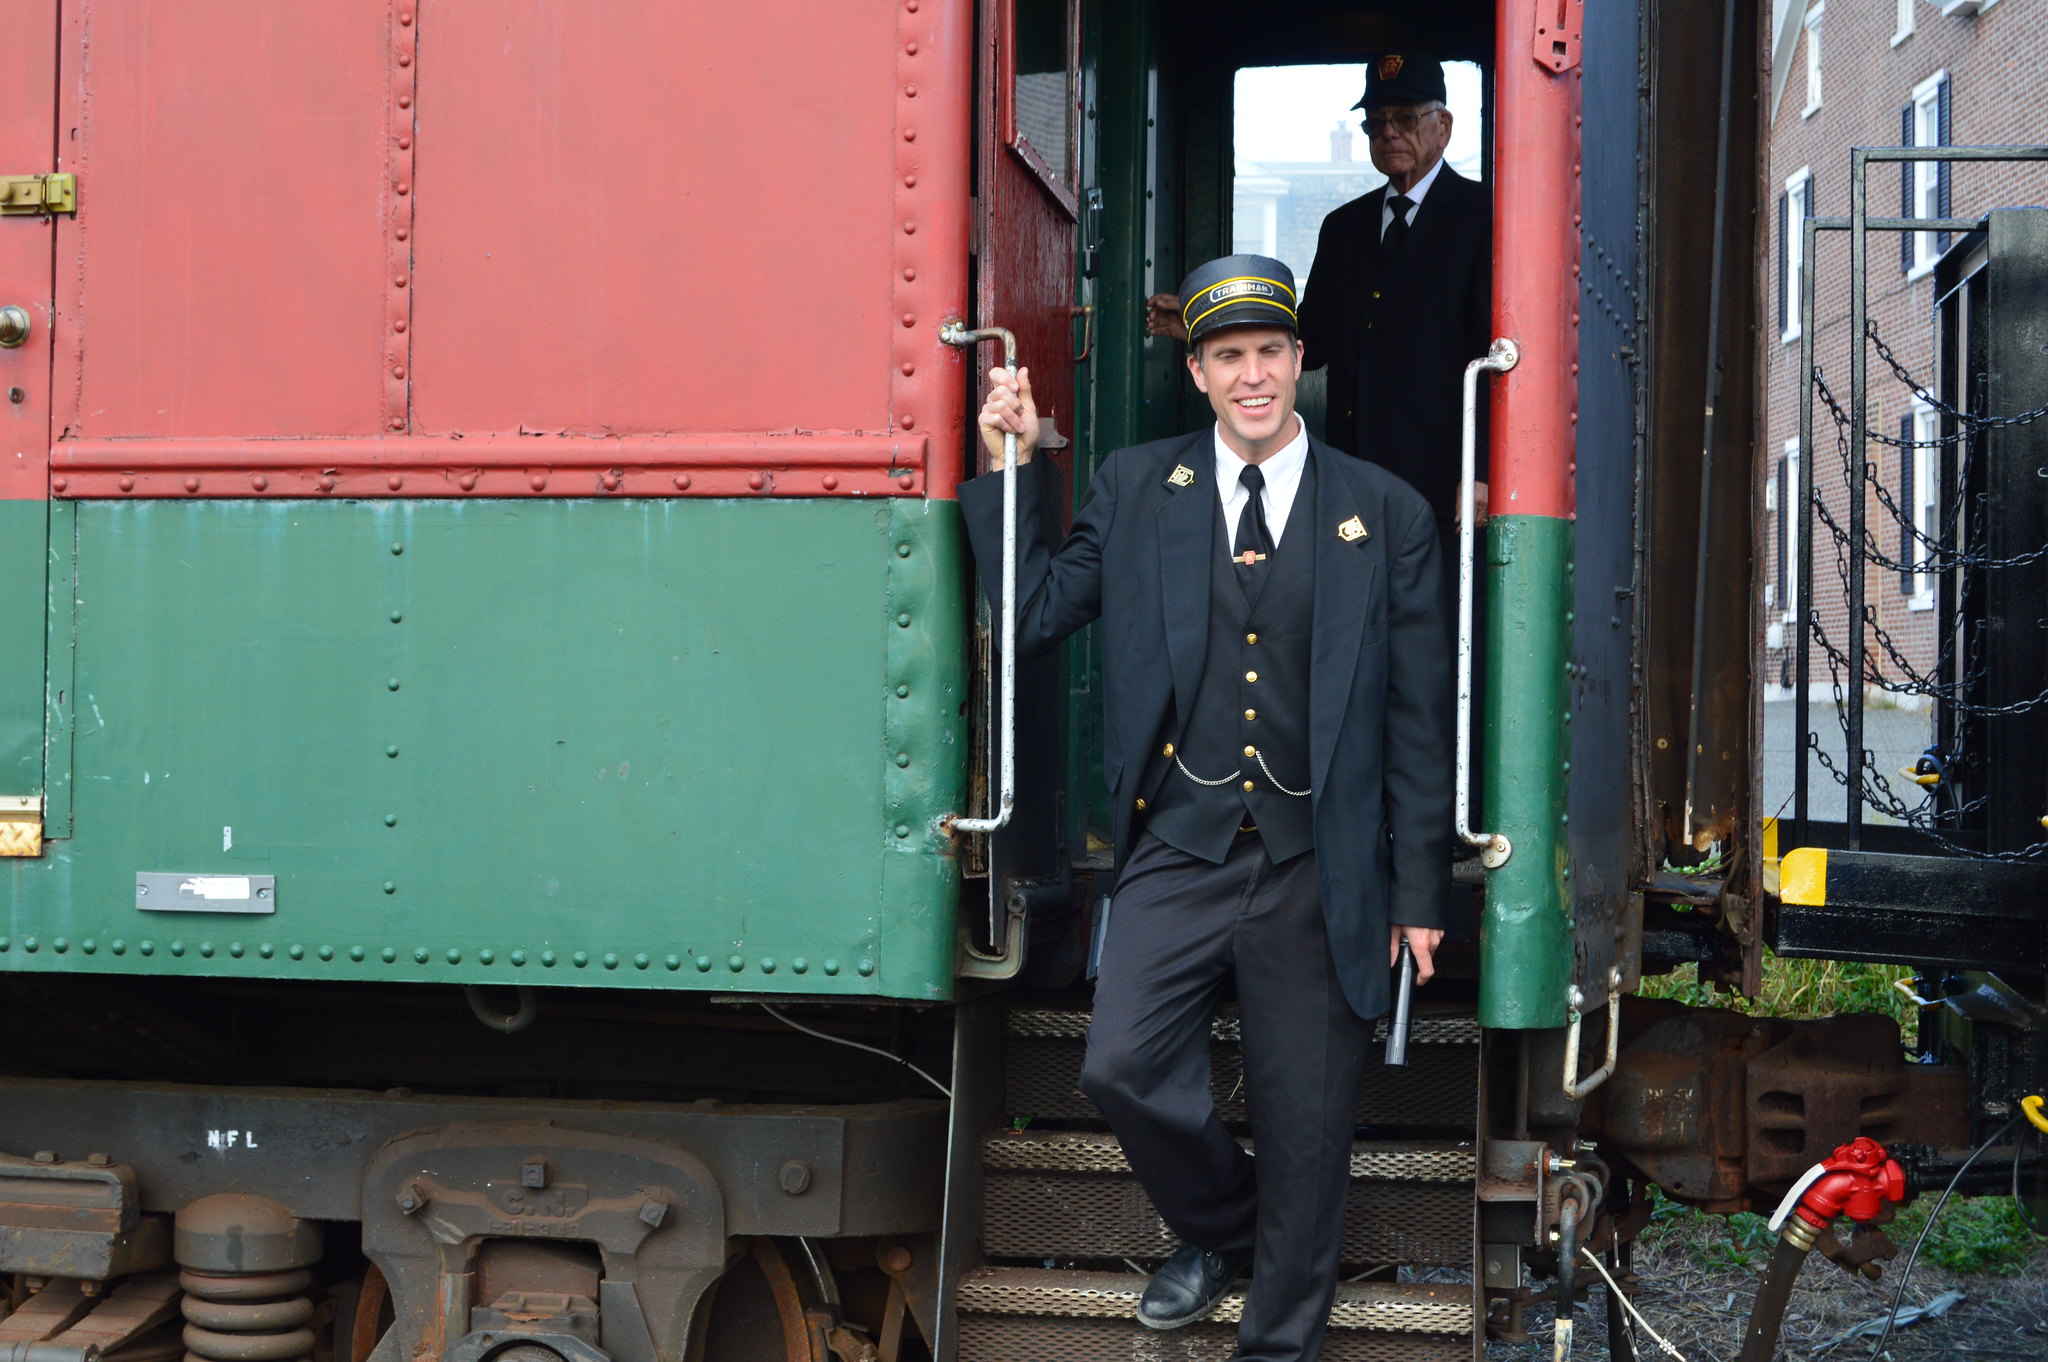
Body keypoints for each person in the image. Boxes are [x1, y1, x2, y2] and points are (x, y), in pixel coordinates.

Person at [958, 254, 1453, 1362]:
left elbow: (1419, 722)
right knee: (1118, 1066)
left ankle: (1274, 1347)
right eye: (1227, 356)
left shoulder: (1386, 513)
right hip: (1179, 843)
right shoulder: (1137, 487)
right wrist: (1014, 457)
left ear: (1296, 361)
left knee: (1306, 1125)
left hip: (1315, 858)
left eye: (1269, 353)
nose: (1251, 376)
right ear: (1196, 372)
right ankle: (1222, 1228)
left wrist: (1415, 894)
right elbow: (1033, 610)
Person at [1146, 53, 1491, 532]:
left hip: (1443, 475)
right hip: (1351, 468)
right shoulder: (1344, 227)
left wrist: (1482, 473)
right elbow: (1314, 340)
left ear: (1444, 126)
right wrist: (1203, 320)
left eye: (1406, 119)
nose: (1388, 132)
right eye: (1376, 123)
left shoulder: (1484, 216)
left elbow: (1496, 357)